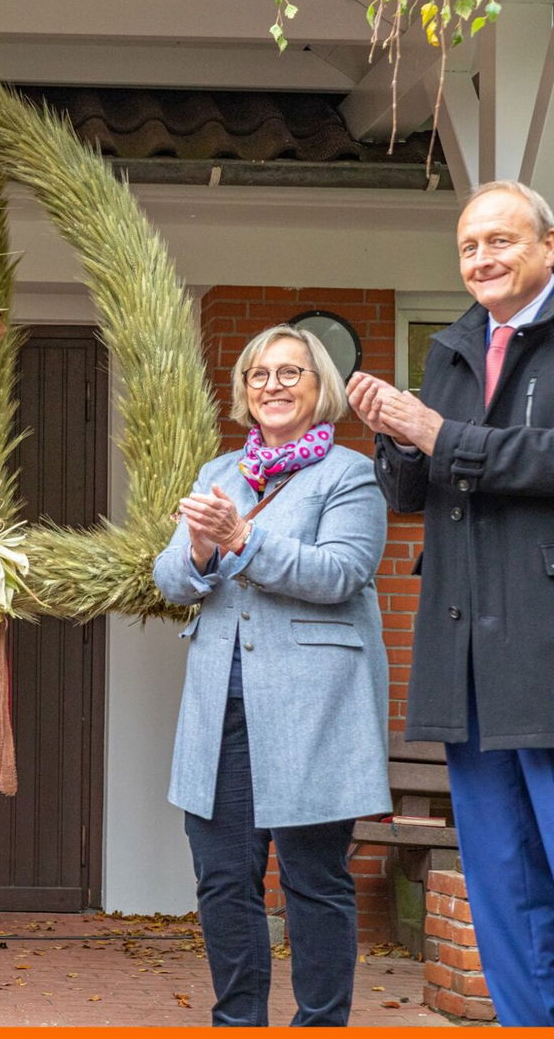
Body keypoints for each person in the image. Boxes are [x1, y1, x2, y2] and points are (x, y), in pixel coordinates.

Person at [348, 180, 554, 1026]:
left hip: (543, 649)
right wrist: (392, 438)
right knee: (500, 874)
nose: (482, 258)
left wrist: (440, 437)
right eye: (469, 247)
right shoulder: (451, 346)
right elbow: (419, 488)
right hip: (464, 652)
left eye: (500, 240)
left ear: (548, 245)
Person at [153, 323, 390, 1027]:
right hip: (219, 703)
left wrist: (242, 539)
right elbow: (170, 580)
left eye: (292, 373)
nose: (274, 386)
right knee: (224, 879)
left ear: (322, 389)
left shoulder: (350, 473)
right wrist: (197, 551)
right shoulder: (217, 475)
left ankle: (319, 1023)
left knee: (314, 880)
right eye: (260, 374)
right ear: (243, 392)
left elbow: (343, 572)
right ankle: (239, 1021)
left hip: (313, 705)